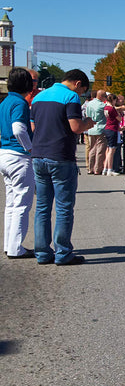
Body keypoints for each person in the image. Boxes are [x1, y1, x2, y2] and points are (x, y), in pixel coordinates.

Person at [30, 68, 95, 265]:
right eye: (82, 90)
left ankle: (42, 252)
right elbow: (75, 127)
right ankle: (63, 253)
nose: (81, 94)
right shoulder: (70, 97)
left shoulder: (39, 97)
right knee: (64, 207)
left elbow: (33, 127)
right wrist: (88, 124)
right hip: (61, 156)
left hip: (39, 155)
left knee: (42, 206)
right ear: (77, 83)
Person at [0, 67, 35, 258]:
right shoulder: (20, 103)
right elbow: (19, 128)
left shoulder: (5, 102)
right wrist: (30, 148)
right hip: (18, 156)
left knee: (11, 204)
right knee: (22, 204)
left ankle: (9, 244)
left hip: (4, 153)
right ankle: (16, 248)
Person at [84, 89, 107, 174]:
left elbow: (87, 115)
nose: (106, 98)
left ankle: (90, 168)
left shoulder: (89, 104)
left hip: (91, 128)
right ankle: (97, 169)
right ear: (101, 96)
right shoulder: (102, 105)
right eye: (105, 96)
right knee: (100, 150)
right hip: (100, 128)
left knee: (92, 149)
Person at [102, 93, 121, 176]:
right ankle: (110, 169)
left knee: (108, 150)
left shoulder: (105, 107)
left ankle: (105, 168)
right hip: (112, 129)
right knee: (112, 150)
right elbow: (119, 118)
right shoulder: (112, 108)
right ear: (113, 100)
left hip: (107, 128)